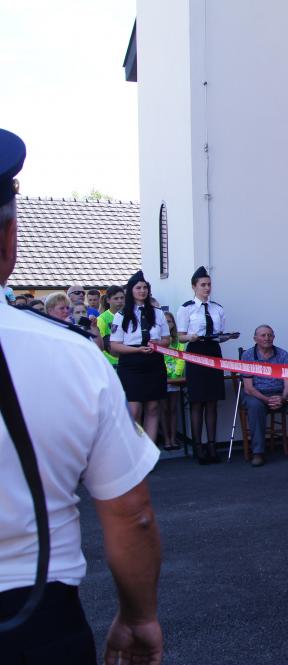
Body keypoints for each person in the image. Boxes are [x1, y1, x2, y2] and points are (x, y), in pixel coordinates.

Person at [0, 127, 163, 664]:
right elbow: (132, 515)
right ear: (9, 240)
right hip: (31, 617)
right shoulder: (68, 355)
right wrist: (138, 617)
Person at [176, 266, 237, 465]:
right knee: (197, 401)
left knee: (212, 400)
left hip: (213, 351)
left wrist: (227, 337)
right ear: (194, 286)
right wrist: (190, 337)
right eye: (203, 285)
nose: (207, 288)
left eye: (209, 284)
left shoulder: (217, 308)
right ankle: (198, 447)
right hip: (196, 351)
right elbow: (180, 336)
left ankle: (212, 445)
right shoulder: (186, 308)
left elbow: (218, 335)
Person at [240, 325, 288, 467]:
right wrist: (266, 399)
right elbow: (249, 388)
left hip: (280, 394)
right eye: (263, 335)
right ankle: (258, 452)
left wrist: (283, 398)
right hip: (257, 396)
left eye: (270, 335)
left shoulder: (282, 354)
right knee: (255, 406)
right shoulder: (247, 355)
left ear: (274, 337)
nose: (267, 338)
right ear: (255, 339)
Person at [110, 270, 171, 448]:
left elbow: (167, 339)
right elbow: (115, 345)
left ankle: (149, 451)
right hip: (131, 363)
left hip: (154, 361)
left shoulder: (158, 313)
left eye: (145, 287)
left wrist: (159, 343)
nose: (142, 291)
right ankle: (133, 449)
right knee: (134, 410)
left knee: (153, 407)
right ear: (131, 290)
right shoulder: (121, 315)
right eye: (138, 288)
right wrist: (136, 350)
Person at [160, 311, 186, 451]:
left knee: (173, 409)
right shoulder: (158, 339)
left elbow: (181, 358)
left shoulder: (178, 341)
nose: (167, 324)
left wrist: (176, 374)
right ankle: (166, 439)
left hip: (175, 377)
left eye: (169, 322)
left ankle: (173, 437)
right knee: (163, 409)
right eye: (164, 322)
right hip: (162, 377)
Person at [96, 285, 125, 368]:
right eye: (116, 298)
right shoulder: (102, 319)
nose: (120, 301)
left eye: (122, 298)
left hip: (128, 359)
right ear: (108, 300)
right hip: (110, 363)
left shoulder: (130, 316)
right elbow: (100, 344)